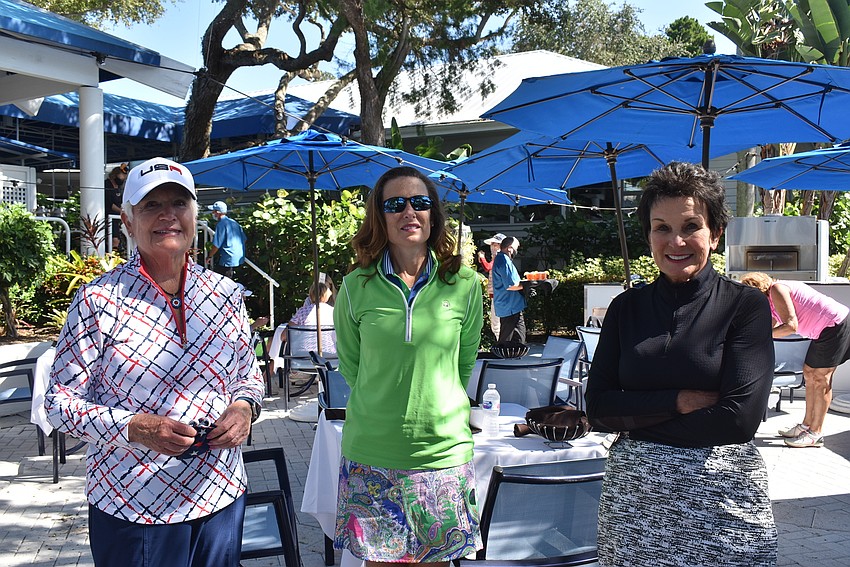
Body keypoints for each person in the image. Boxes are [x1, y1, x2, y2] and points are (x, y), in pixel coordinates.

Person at [44, 157, 265, 567]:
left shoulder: (226, 293)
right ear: (128, 222)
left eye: (179, 203)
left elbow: (248, 377)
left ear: (195, 215)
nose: (168, 215)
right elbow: (58, 404)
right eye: (151, 205)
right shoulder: (99, 300)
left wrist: (243, 407)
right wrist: (136, 427)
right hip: (133, 504)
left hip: (220, 493)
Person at [585, 162, 777, 566]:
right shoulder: (625, 308)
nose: (676, 241)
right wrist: (682, 400)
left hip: (723, 504)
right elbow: (599, 409)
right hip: (634, 508)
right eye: (661, 227)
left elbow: (739, 419)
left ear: (716, 233)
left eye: (691, 226)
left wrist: (635, 415)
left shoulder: (745, 306)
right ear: (649, 235)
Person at [333, 166, 484, 564]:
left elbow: (464, 362)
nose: (408, 213)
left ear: (433, 214)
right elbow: (352, 365)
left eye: (419, 203)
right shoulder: (355, 286)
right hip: (373, 451)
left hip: (442, 453)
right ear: (379, 217)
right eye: (395, 204)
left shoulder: (465, 284)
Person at [740, 271, 850, 448]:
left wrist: (763, 337)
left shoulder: (777, 289)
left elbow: (791, 326)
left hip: (835, 325)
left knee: (821, 379)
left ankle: (816, 433)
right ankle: (806, 426)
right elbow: (771, 326)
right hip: (824, 330)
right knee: (809, 375)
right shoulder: (770, 300)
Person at [491, 236, 527, 345]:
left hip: (510, 306)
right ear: (510, 248)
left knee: (516, 341)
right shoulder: (504, 260)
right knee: (512, 342)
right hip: (509, 307)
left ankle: (509, 358)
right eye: (516, 248)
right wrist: (529, 284)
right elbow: (511, 285)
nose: (517, 251)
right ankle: (505, 359)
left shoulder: (502, 259)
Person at [206, 200, 247, 279]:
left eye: (213, 211)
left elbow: (216, 245)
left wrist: (209, 256)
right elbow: (244, 239)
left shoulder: (221, 225)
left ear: (218, 212)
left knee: (221, 283)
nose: (212, 213)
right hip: (239, 257)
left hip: (227, 259)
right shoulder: (234, 222)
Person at [477, 233, 506, 339]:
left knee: (496, 323)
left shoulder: (499, 257)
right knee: (497, 322)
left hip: (498, 295)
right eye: (492, 244)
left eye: (495, 244)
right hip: (498, 294)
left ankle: (501, 343)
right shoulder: (500, 258)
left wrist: (482, 258)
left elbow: (488, 267)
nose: (492, 247)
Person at [104, 163, 128, 254]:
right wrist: (121, 211)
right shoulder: (106, 185)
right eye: (122, 177)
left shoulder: (119, 188)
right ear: (115, 175)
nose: (123, 179)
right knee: (114, 240)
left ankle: (115, 254)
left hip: (117, 217)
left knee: (117, 239)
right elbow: (109, 203)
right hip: (108, 216)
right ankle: (111, 256)